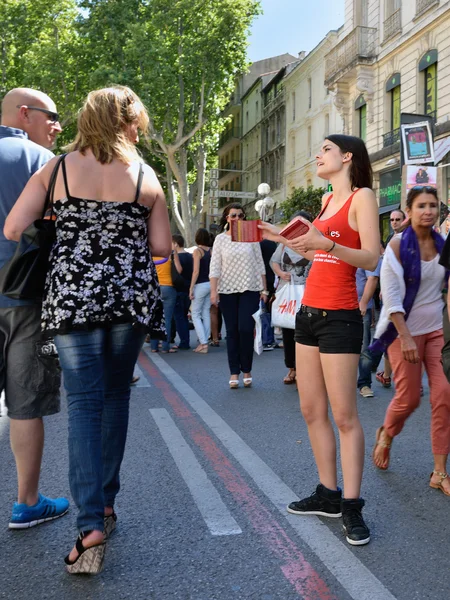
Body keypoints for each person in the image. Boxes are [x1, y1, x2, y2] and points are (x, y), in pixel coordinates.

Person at [5, 85, 171, 573]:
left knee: (83, 403)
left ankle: (89, 524)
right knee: (116, 398)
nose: (138, 130)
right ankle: (108, 505)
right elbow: (160, 246)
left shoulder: (54, 169)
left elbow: (14, 228)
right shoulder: (146, 174)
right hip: (129, 298)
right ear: (123, 123)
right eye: (135, 121)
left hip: (74, 296)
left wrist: (63, 219)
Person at [259, 134, 379, 546]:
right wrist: (279, 236)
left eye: (325, 149)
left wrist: (325, 241)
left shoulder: (361, 196)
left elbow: (371, 257)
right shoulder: (327, 200)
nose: (318, 154)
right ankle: (328, 494)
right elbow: (320, 255)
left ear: (347, 157)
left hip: (341, 317)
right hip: (308, 314)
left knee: (345, 416)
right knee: (312, 411)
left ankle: (351, 505)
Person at [0, 88, 69, 529]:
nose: (58, 126)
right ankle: (27, 502)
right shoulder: (42, 161)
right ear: (25, 115)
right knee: (26, 400)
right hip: (26, 294)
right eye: (52, 116)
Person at [372, 187, 450, 497]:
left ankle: (440, 472)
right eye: (422, 206)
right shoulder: (396, 245)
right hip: (401, 330)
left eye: (433, 205)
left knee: (444, 394)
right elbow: (390, 296)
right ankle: (387, 433)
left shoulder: (443, 244)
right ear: (410, 210)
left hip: (437, 331)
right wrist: (404, 337)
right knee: (409, 399)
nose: (428, 211)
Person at [209, 203, 268, 389]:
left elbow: (260, 264)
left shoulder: (252, 237)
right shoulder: (220, 239)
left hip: (250, 288)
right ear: (227, 218)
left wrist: (264, 289)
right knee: (232, 331)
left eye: (241, 215)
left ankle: (247, 370)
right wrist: (213, 291)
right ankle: (234, 372)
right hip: (226, 290)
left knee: (245, 328)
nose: (237, 218)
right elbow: (215, 266)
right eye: (233, 215)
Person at [270, 211, 312, 385]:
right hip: (287, 291)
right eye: (295, 222)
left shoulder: (314, 242)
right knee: (288, 330)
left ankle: (306, 370)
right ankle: (292, 369)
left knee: (306, 332)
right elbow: (274, 261)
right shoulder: (284, 243)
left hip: (308, 292)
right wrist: (281, 273)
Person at [356, 255, 382, 398]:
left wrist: (364, 303)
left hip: (360, 307)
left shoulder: (366, 252)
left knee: (363, 348)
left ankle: (364, 384)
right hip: (339, 304)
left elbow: (372, 278)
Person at [189, 228, 212, 353]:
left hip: (200, 285)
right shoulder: (210, 251)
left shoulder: (197, 251)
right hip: (210, 284)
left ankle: (203, 343)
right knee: (205, 312)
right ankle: (205, 342)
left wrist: (191, 287)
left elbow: (196, 271)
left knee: (195, 314)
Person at [150, 256, 178, 353]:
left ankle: (154, 346)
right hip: (168, 288)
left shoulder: (151, 258)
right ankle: (166, 347)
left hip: (155, 289)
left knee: (154, 318)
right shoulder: (169, 257)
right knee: (167, 319)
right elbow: (179, 270)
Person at [172, 234, 193, 350]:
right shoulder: (190, 256)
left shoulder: (177, 258)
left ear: (176, 244)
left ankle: (184, 342)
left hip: (179, 289)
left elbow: (177, 272)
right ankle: (185, 340)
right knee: (184, 316)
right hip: (188, 288)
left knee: (179, 317)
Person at [259, 237, 278, 350]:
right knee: (269, 310)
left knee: (263, 311)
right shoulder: (272, 244)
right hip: (272, 278)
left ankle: (266, 338)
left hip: (262, 279)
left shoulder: (259, 245)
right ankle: (269, 338)